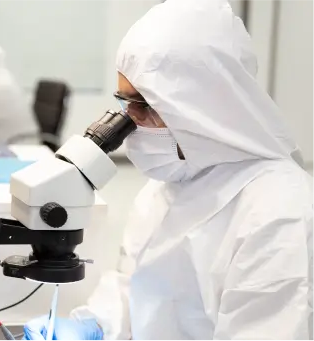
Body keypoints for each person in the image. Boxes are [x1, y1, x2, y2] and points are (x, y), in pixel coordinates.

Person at [23, 0, 314, 340]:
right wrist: (97, 325)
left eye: (144, 104)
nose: (130, 120)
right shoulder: (170, 182)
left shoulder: (281, 214)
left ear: (200, 106)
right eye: (124, 101)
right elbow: (137, 289)